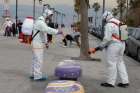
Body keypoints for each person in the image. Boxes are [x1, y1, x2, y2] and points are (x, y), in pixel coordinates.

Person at [89, 11, 129, 88]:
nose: (104, 21)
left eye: (104, 19)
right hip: (122, 45)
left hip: (114, 45)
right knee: (120, 62)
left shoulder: (109, 24)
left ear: (106, 17)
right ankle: (125, 81)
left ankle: (110, 82)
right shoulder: (120, 22)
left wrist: (99, 47)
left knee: (111, 63)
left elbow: (107, 39)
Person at [31, 9, 62, 81]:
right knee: (39, 60)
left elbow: (43, 33)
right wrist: (57, 32)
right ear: (46, 15)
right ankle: (37, 76)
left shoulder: (41, 22)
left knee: (35, 59)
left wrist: (46, 42)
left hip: (36, 43)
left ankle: (33, 74)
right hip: (37, 43)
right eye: (50, 15)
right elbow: (47, 30)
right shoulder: (41, 22)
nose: (51, 17)